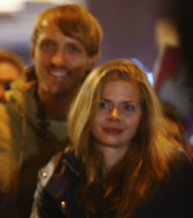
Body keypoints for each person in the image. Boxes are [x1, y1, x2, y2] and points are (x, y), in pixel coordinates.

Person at [31, 59, 193, 218]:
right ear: (85, 110)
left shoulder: (174, 173)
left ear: (144, 116)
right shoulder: (58, 176)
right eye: (103, 105)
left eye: (127, 107)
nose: (114, 116)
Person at [0, 4, 102, 217]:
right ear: (33, 51)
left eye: (72, 48)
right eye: (48, 45)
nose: (57, 59)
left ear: (92, 59)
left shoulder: (105, 125)